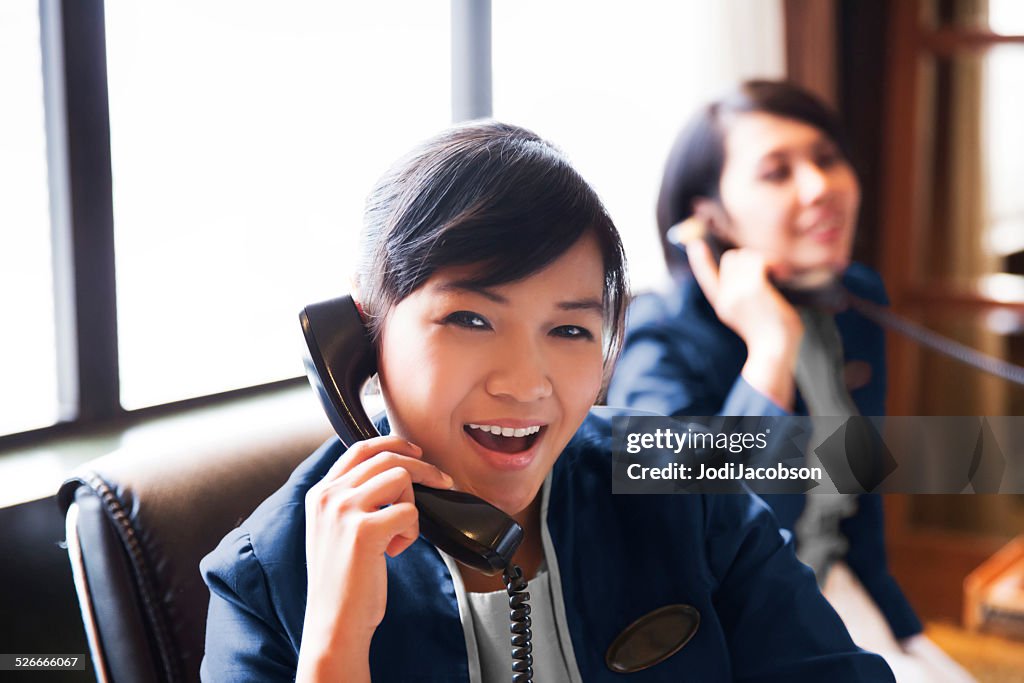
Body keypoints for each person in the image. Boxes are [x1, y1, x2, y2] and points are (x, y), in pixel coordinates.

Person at [200, 121, 893, 682]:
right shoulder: (268, 574)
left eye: (569, 329)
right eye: (470, 319)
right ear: (361, 334)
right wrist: (334, 644)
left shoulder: (687, 488)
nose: (526, 382)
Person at [607, 80, 973, 682]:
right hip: (728, 624)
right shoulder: (658, 339)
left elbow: (860, 504)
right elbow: (690, 538)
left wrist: (905, 630)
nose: (821, 186)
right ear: (708, 220)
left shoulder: (851, 299)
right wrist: (769, 353)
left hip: (832, 589)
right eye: (777, 172)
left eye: (827, 159)